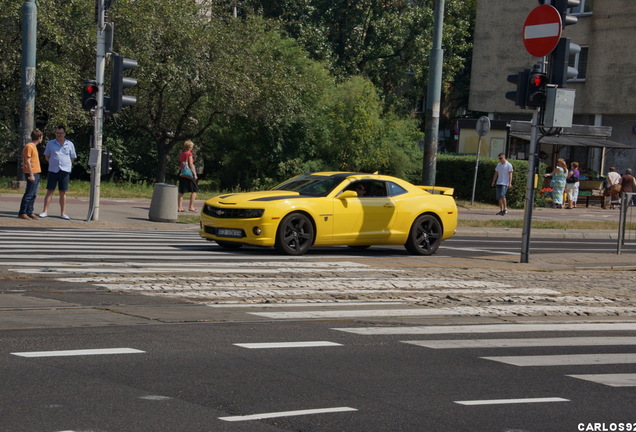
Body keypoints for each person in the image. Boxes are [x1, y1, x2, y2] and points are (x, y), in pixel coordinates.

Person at [39, 126, 77, 220]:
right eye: (57, 133)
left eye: (61, 133)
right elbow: (47, 156)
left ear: (64, 134)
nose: (59, 135)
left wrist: (66, 164)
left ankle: (63, 213)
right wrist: (54, 162)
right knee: (50, 191)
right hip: (53, 170)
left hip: (64, 171)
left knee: (63, 192)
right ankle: (45, 211)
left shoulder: (69, 144)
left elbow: (72, 157)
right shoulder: (50, 143)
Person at [18, 128, 44, 220]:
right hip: (31, 172)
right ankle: (22, 212)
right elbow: (28, 161)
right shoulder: (29, 146)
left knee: (34, 194)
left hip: (36, 172)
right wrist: (31, 174)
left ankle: (30, 211)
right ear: (40, 137)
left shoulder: (33, 146)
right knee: (29, 193)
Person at [178, 140, 198, 212]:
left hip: (182, 173)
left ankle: (180, 207)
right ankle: (191, 207)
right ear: (189, 147)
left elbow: (181, 163)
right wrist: (195, 174)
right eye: (192, 147)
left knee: (181, 191)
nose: (192, 148)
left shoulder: (182, 154)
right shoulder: (189, 154)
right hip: (189, 174)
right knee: (194, 190)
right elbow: (191, 165)